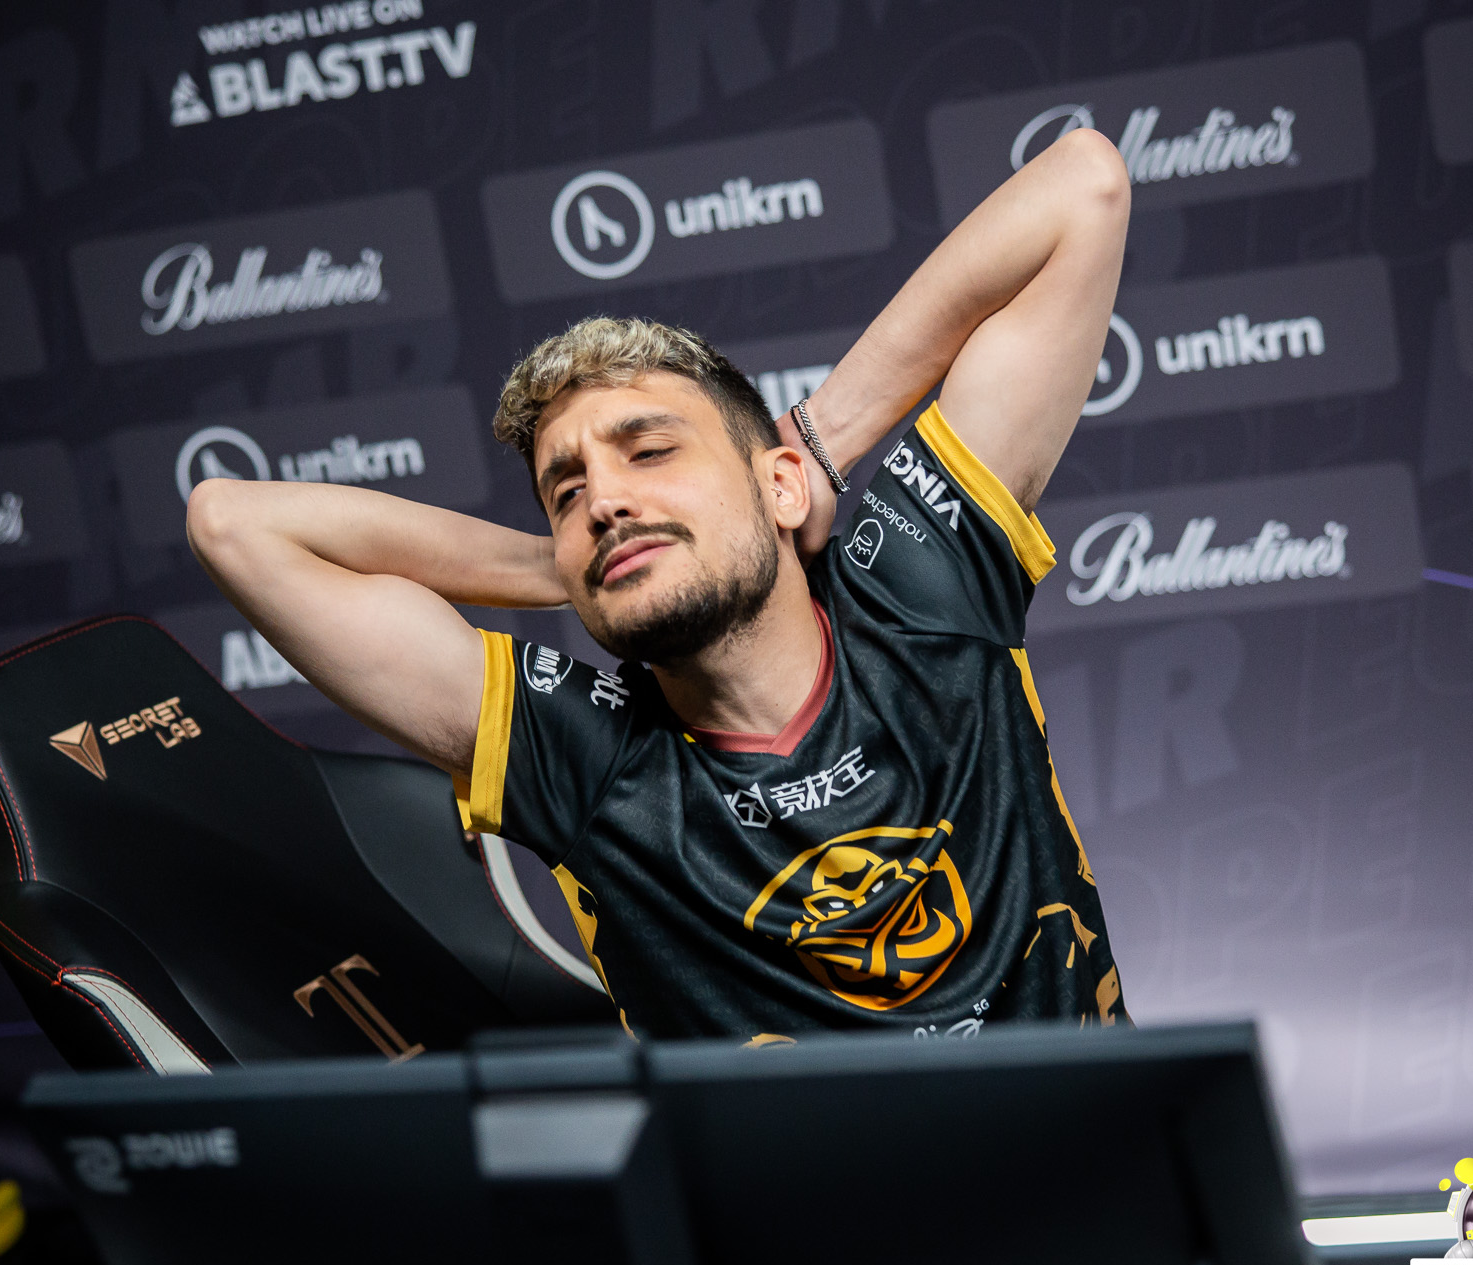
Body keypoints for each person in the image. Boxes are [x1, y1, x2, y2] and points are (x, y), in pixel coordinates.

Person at [187, 128, 1132, 1043]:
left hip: (1108, 1143)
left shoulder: (921, 585)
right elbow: (234, 525)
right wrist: (565, 563)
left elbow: (1082, 186)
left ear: (777, 486)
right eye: (568, 492)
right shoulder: (581, 755)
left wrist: (817, 442)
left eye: (649, 452)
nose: (604, 500)